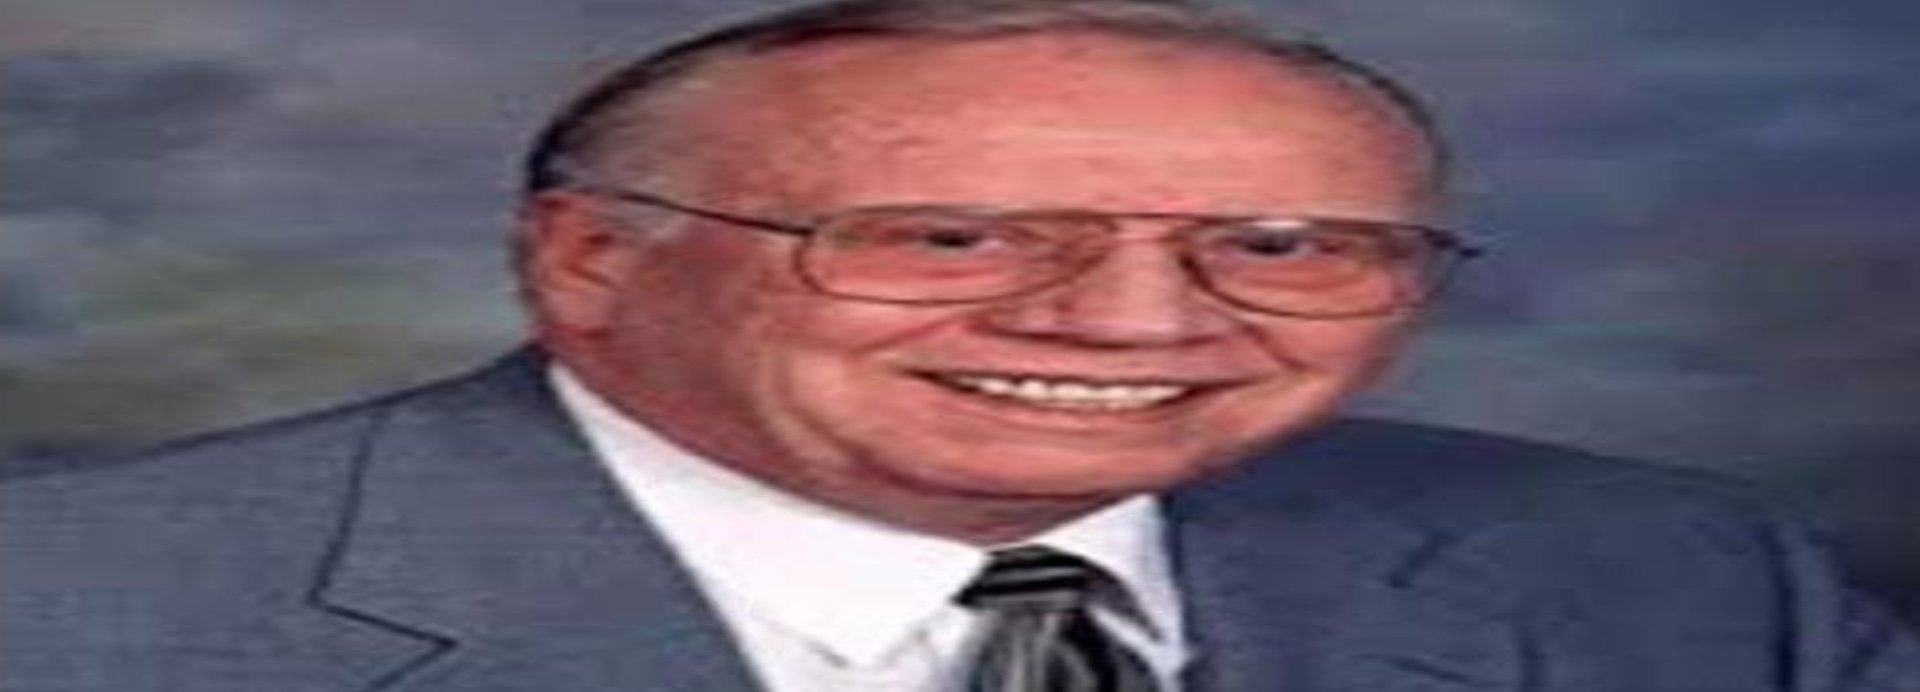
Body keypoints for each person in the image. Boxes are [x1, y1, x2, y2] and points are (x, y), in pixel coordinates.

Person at [4, 0, 1916, 690]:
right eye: (947, 236)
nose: (1136, 319)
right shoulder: (68, 617)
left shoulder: (1669, 579)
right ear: (590, 261)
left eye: (1279, 246)